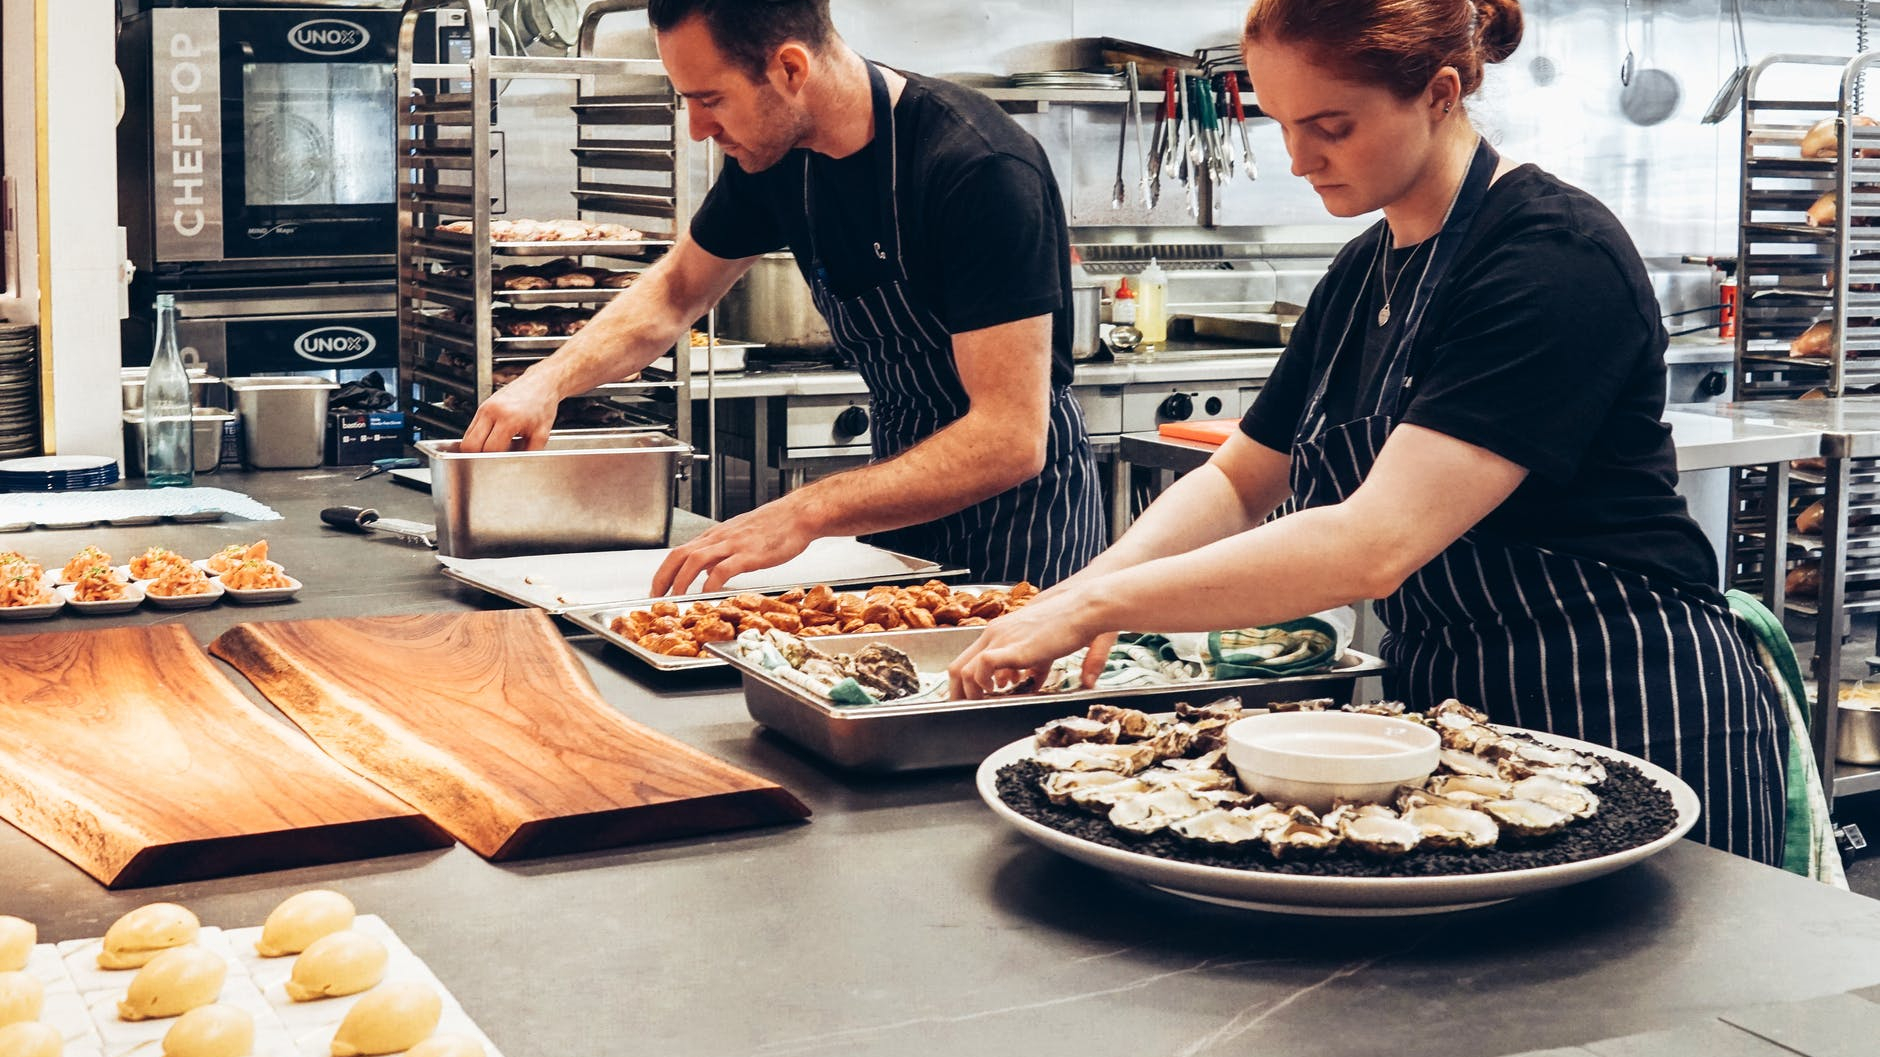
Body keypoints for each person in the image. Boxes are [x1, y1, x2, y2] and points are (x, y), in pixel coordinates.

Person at [950, 0, 1787, 864]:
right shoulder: (1362, 273)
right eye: (1279, 124)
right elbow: (1241, 480)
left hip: (1625, 701)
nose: (1299, 159)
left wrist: (1101, 603)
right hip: (1458, 724)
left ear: (1440, 92)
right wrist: (1071, 598)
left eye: (1331, 126)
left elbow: (1374, 543)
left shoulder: (1552, 257)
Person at [460, 0, 1104, 594]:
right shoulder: (777, 159)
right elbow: (675, 293)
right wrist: (545, 383)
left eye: (710, 98)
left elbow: (1010, 439)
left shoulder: (975, 168)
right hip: (896, 506)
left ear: (790, 68)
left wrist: (804, 511)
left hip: (1022, 532)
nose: (696, 128)